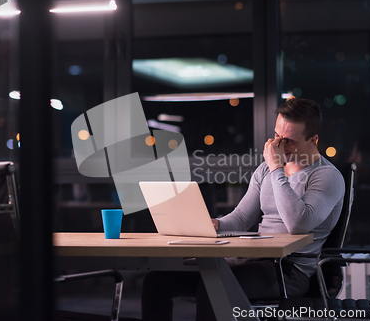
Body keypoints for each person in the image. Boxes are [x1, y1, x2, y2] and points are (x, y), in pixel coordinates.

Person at [141, 98, 345, 321]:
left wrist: (276, 166)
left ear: (313, 140)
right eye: (276, 136)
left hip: (288, 271)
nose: (277, 146)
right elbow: (241, 217)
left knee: (213, 287)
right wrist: (216, 224)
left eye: (288, 141)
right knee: (157, 281)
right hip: (249, 259)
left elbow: (298, 224)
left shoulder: (327, 176)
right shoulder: (265, 170)